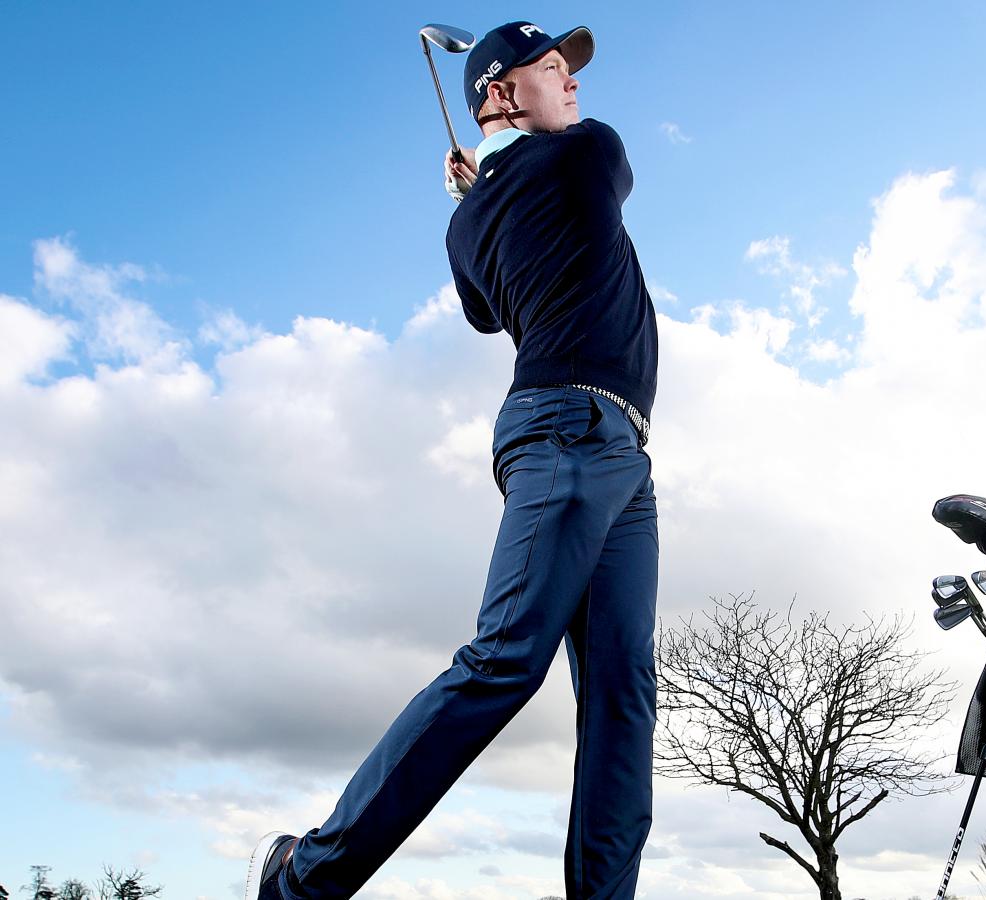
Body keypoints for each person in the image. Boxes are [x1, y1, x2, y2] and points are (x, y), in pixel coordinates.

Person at [246, 20, 660, 900]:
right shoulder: (588, 157)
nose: (575, 85)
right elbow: (582, 167)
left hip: (617, 453)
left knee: (624, 700)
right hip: (567, 429)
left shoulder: (467, 223)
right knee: (506, 659)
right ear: (500, 94)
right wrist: (498, 164)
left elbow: (480, 308)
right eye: (552, 71)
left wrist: (479, 188)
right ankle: (303, 881)